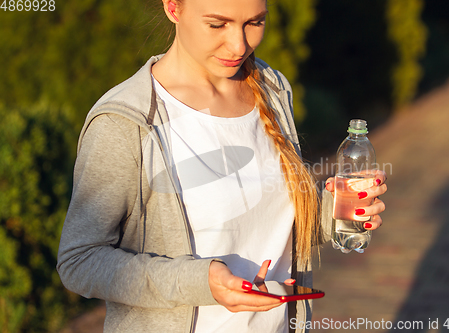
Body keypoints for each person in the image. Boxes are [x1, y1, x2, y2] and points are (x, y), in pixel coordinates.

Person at [56, 0, 387, 332]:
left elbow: (266, 224)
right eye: (217, 24)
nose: (239, 45)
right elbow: (79, 261)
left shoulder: (271, 88)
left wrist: (337, 214)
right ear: (173, 7)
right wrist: (201, 281)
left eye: (254, 23)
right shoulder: (125, 122)